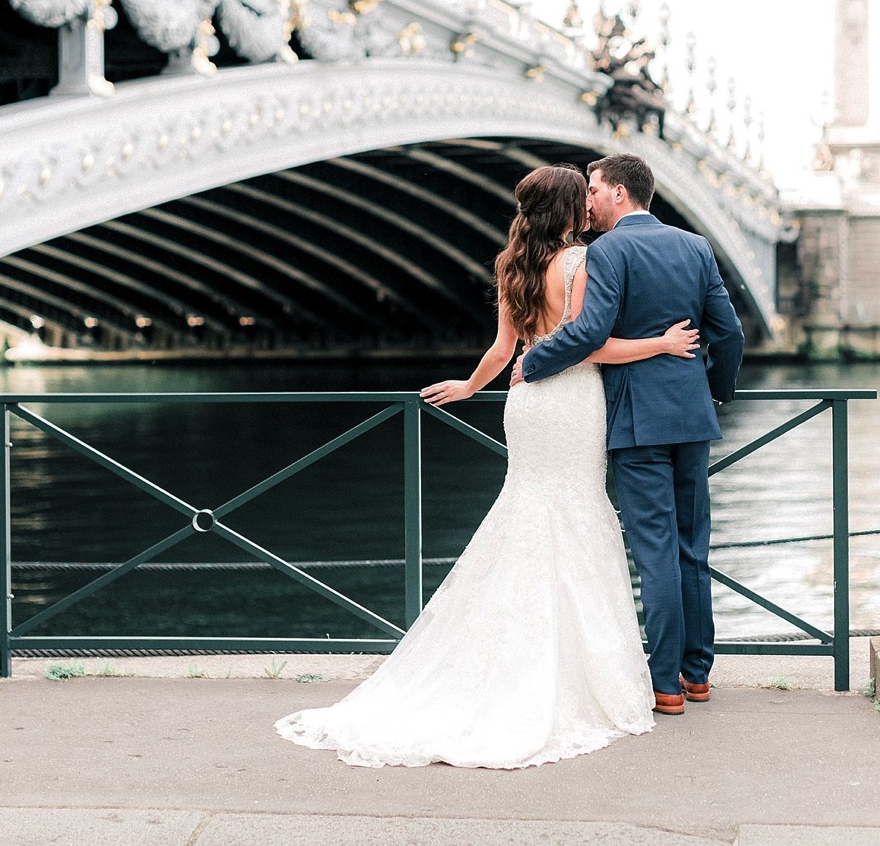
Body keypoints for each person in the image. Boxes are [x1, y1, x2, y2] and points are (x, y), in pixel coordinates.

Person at [274, 164, 698, 768]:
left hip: (525, 405)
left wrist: (471, 387)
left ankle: (502, 662)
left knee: (526, 514)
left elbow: (505, 350)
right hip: (574, 401)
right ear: (572, 208)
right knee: (578, 517)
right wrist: (659, 345)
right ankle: (577, 672)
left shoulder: (512, 265)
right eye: (584, 198)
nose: (590, 206)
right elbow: (588, 344)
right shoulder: (581, 263)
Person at [517, 153, 744, 716]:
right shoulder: (694, 247)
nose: (587, 199)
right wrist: (716, 389)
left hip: (637, 422)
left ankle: (663, 684)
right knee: (693, 546)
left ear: (619, 193)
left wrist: (536, 362)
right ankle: (697, 675)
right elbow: (729, 333)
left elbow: (590, 331)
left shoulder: (608, 251)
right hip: (691, 418)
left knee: (656, 551)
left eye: (594, 189)